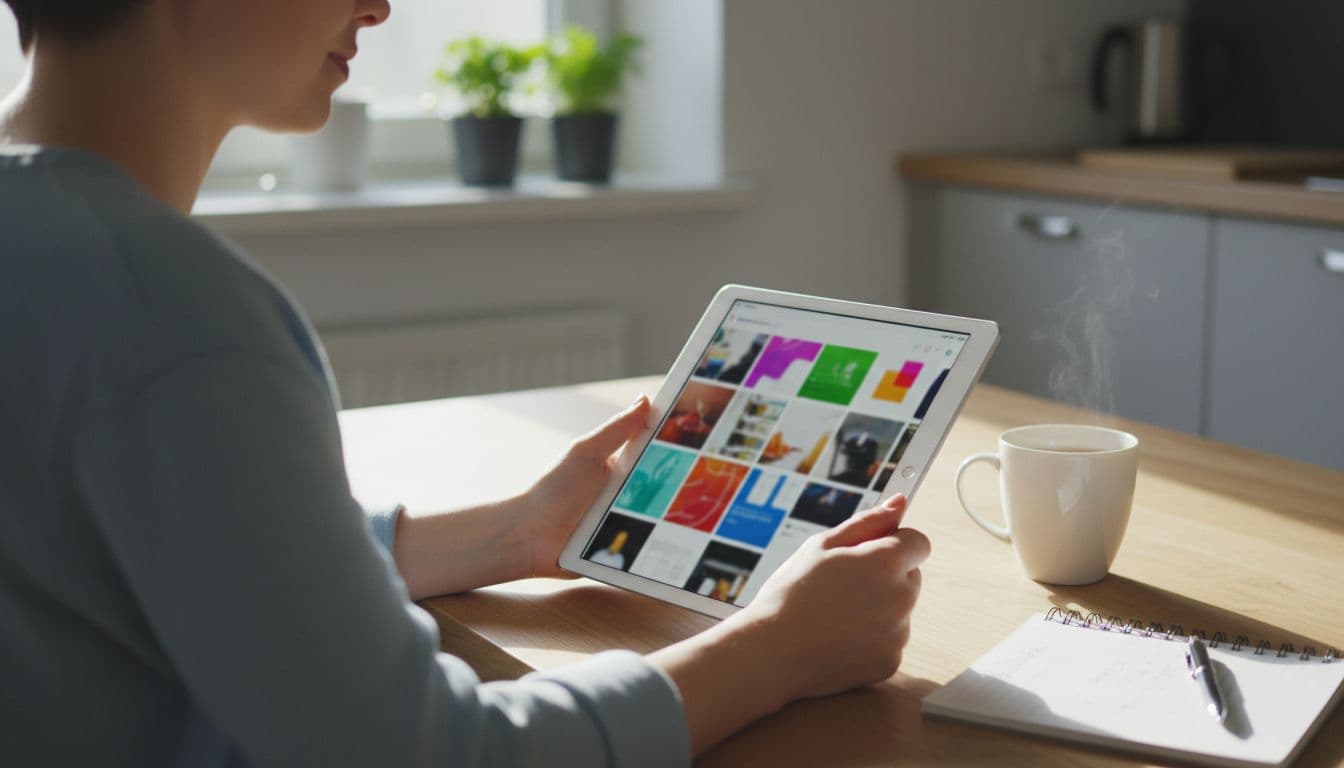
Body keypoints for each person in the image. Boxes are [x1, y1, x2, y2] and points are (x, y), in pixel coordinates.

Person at [0, 2, 931, 766]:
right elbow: (433, 755)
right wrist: (775, 651)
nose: (379, 7)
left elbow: (172, 557)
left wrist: (511, 533)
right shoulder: (170, 311)